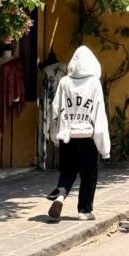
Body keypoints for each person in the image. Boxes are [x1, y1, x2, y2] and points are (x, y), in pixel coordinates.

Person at [45, 46, 110, 221]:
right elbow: (99, 113)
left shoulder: (65, 82)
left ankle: (60, 195)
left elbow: (55, 109)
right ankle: (84, 210)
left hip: (68, 135)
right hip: (88, 136)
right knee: (89, 174)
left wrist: (55, 135)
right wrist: (104, 147)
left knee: (68, 171)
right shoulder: (94, 83)